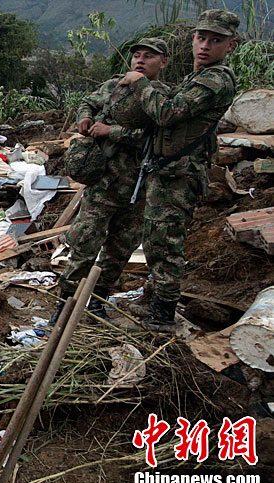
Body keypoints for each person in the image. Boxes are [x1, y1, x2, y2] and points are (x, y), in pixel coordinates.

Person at [118, 9, 239, 331]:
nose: (205, 46)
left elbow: (167, 114)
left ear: (230, 45)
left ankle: (162, 315)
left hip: (180, 176)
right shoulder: (197, 77)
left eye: (216, 40)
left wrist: (141, 83)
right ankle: (152, 298)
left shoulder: (215, 79)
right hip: (168, 171)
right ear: (193, 39)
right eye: (201, 38)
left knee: (165, 244)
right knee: (155, 239)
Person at [51, 38, 171, 325]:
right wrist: (85, 118)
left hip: (139, 187)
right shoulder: (115, 85)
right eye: (137, 55)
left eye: (149, 56)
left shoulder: (162, 98)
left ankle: (98, 300)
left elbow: (157, 137)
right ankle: (65, 304)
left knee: (120, 249)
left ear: (163, 62)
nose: (140, 60)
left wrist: (111, 131)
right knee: (85, 242)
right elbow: (87, 102)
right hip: (104, 183)